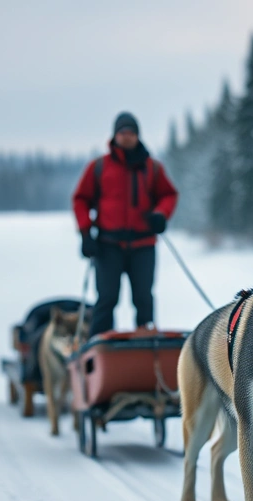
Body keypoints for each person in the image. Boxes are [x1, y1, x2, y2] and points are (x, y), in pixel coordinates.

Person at [72, 112, 179, 337]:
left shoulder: (152, 168)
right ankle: (100, 345)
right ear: (115, 136)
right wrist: (85, 233)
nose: (127, 137)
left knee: (143, 297)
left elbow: (169, 195)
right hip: (108, 245)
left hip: (143, 244)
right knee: (107, 298)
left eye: (131, 132)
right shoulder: (99, 167)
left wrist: (161, 214)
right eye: (123, 132)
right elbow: (80, 199)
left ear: (137, 135)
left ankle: (147, 344)